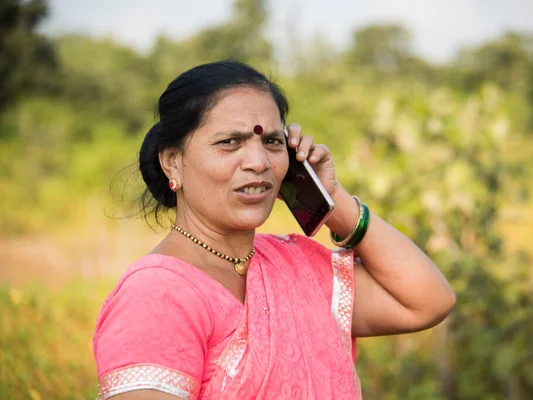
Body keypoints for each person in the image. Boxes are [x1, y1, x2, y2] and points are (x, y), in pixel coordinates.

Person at [93, 61, 456, 400]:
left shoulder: (296, 266)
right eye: (229, 142)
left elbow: (427, 301)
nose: (259, 162)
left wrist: (334, 200)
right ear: (173, 161)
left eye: (271, 141)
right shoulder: (156, 295)